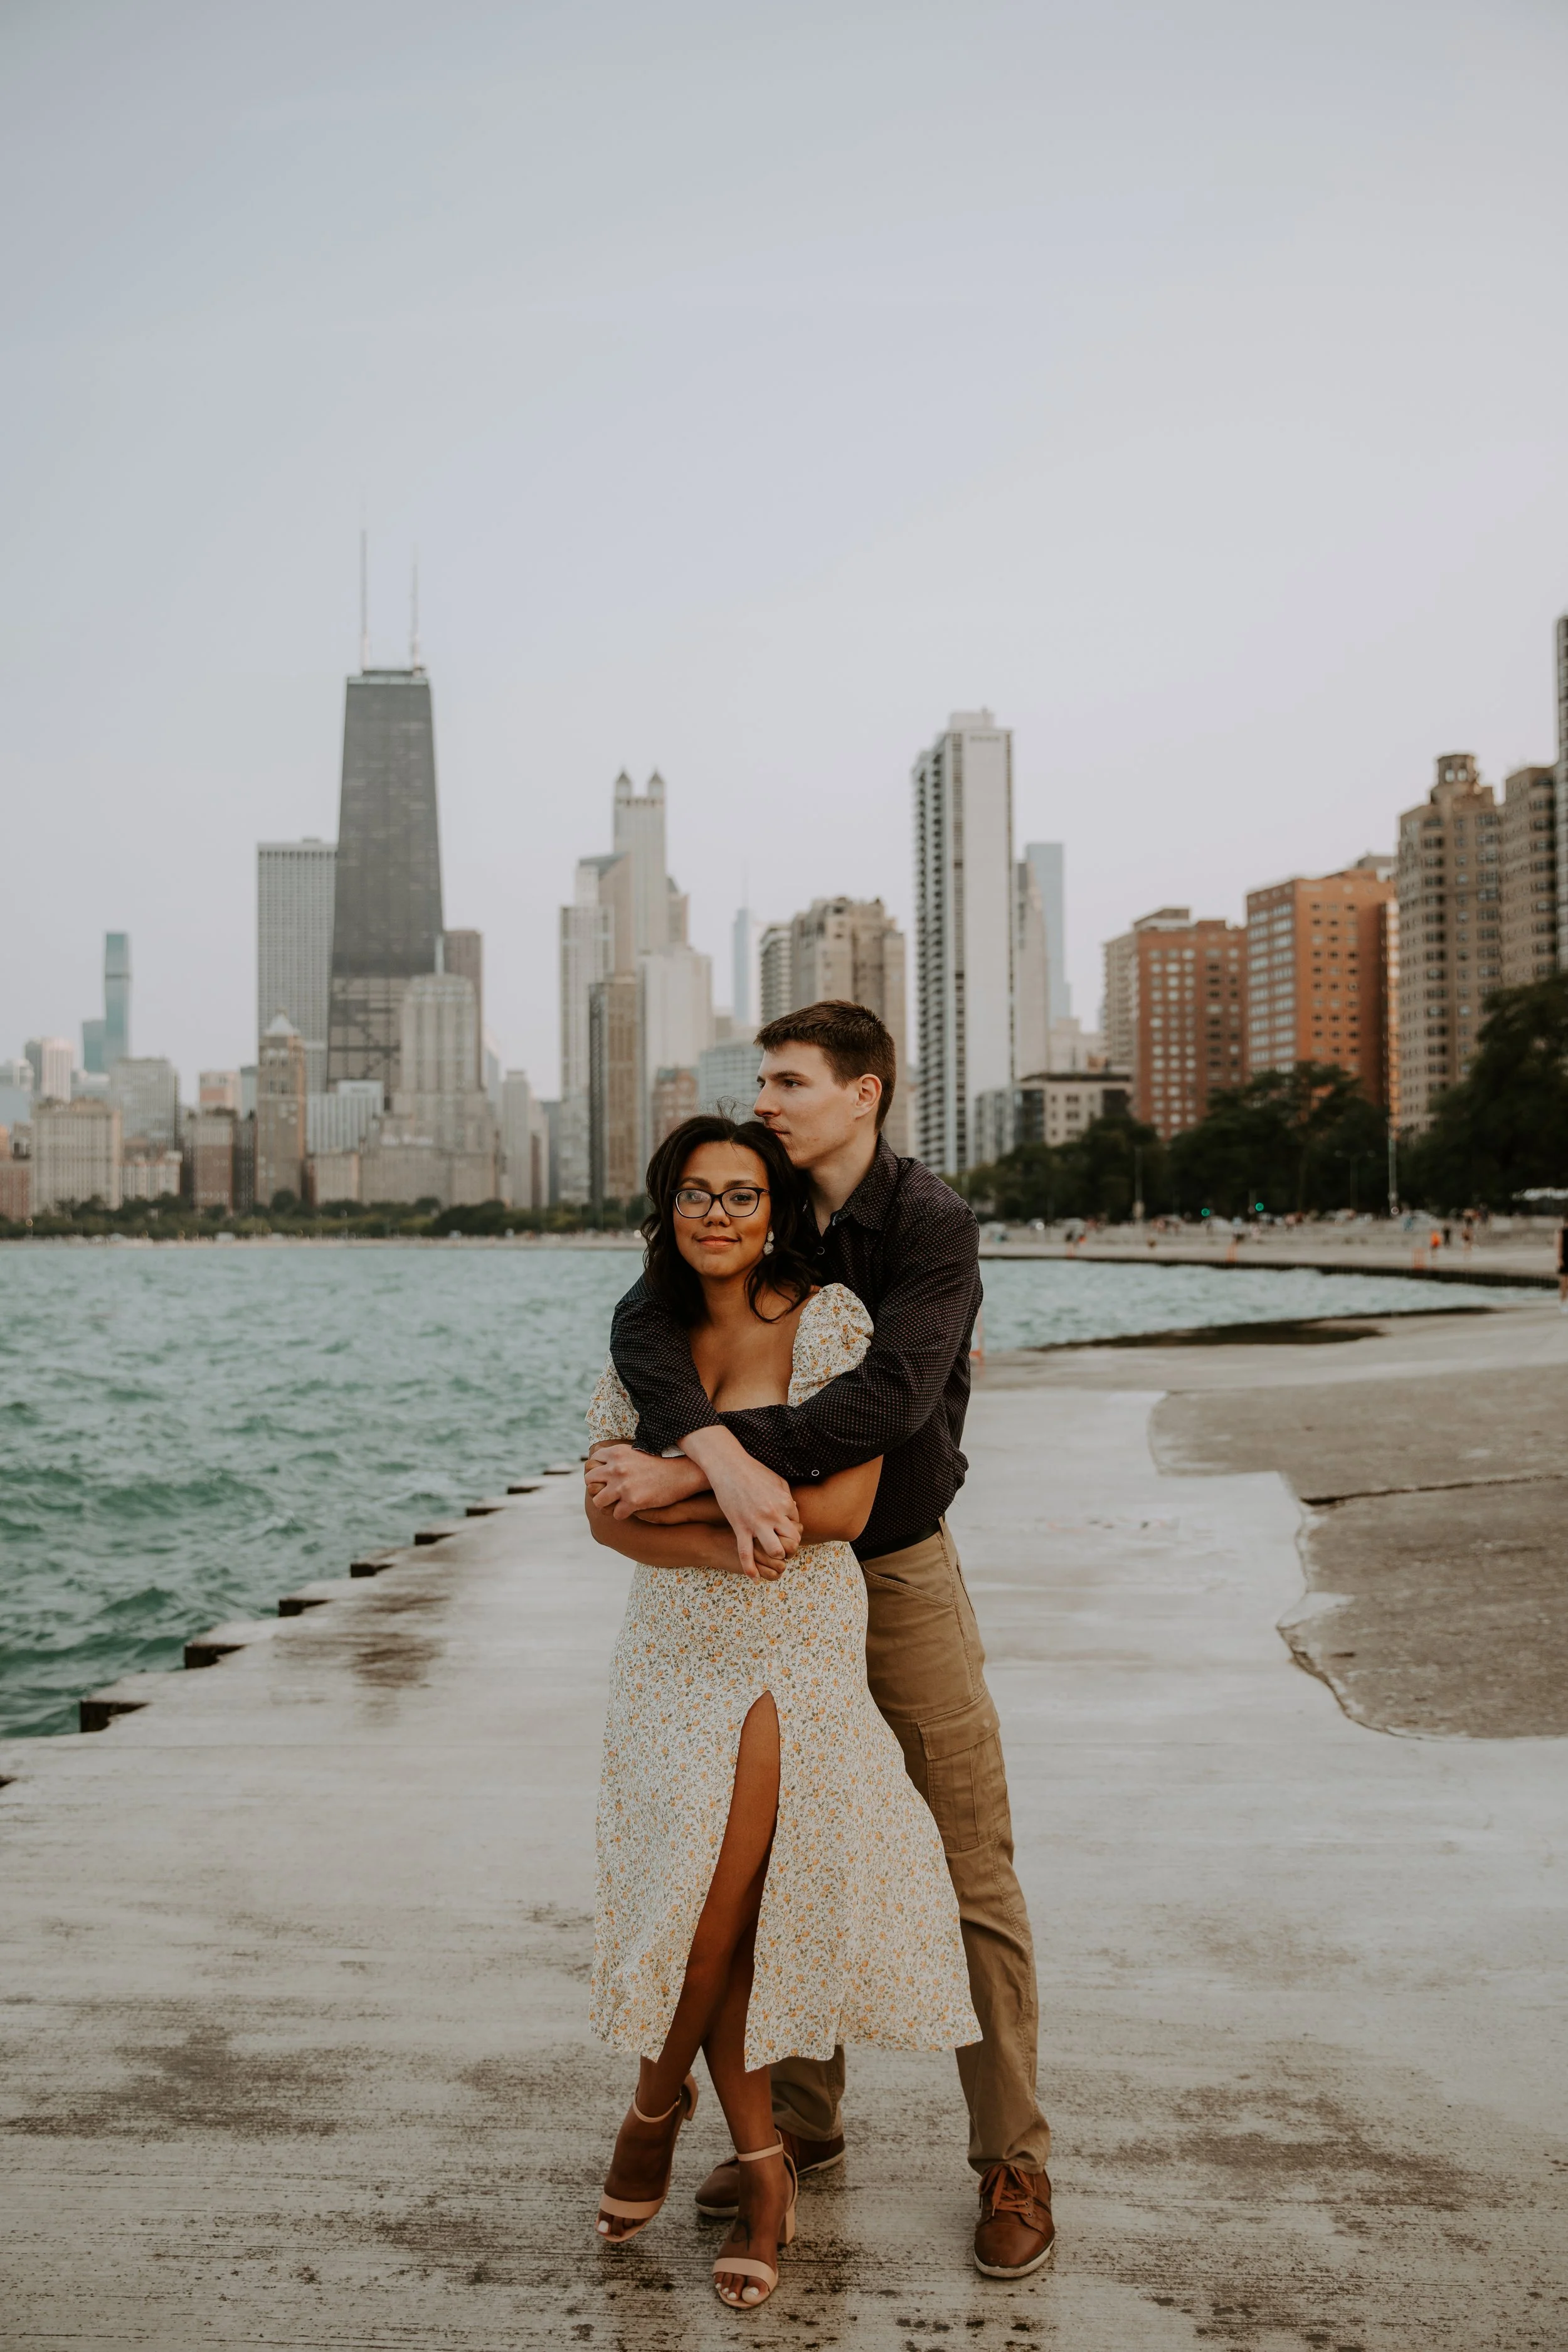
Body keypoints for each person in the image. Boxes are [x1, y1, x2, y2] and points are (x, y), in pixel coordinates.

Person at [588, 1000, 1056, 2281]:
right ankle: (793, 2128)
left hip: (889, 1567)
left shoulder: (925, 1224)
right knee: (767, 1862)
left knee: (966, 1860)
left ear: (865, 1092)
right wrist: (708, 1459)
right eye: (761, 1083)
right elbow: (649, 1327)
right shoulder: (762, 1204)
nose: (769, 1101)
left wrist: (699, 1476)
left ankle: (1010, 2157)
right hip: (751, 1599)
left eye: (789, 1082)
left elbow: (887, 1402)